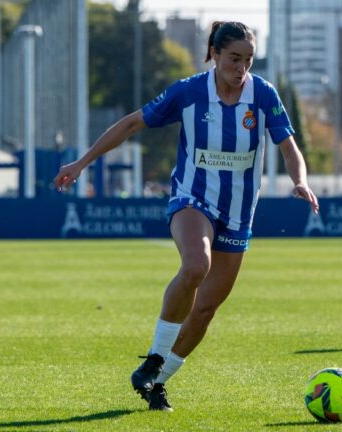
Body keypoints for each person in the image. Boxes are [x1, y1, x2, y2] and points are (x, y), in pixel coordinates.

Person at [53, 21, 319, 411]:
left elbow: (289, 146)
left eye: (248, 60)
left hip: (239, 212)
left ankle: (157, 380)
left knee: (206, 310)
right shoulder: (189, 91)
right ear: (213, 52)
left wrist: (300, 180)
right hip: (191, 199)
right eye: (233, 58)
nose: (241, 67)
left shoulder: (263, 94)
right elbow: (132, 123)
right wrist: (82, 163)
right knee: (196, 265)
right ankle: (155, 358)